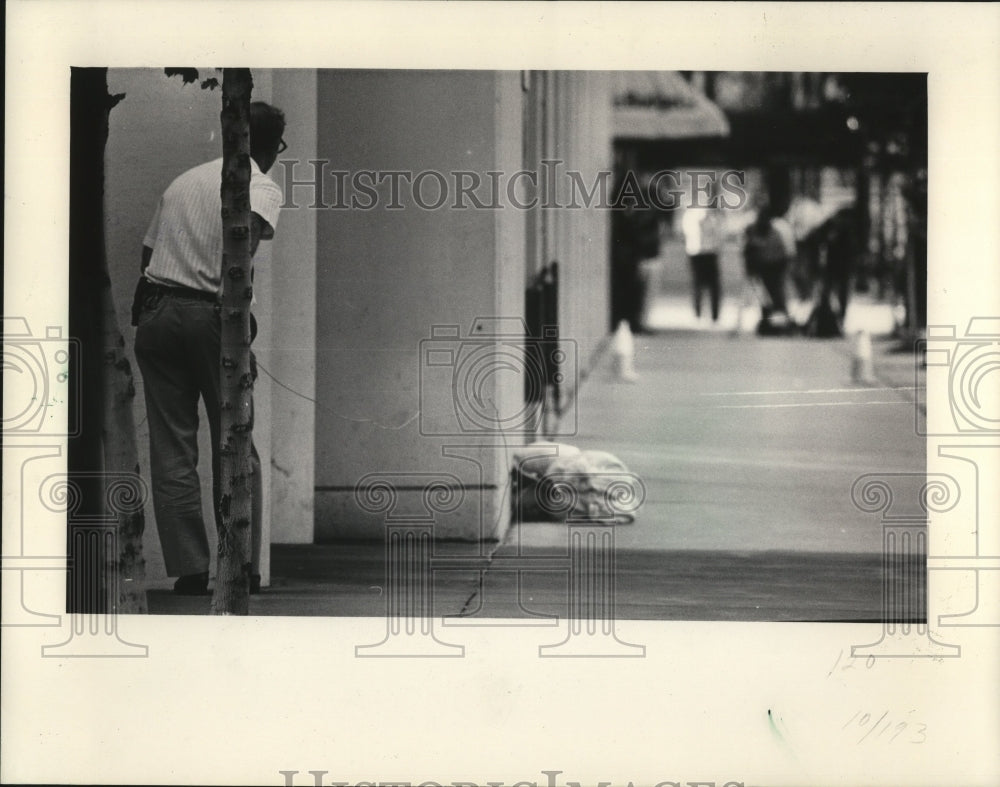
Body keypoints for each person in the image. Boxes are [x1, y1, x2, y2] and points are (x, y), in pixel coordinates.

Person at [132, 102, 286, 596]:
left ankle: (191, 569)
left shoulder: (183, 180)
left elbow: (148, 254)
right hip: (212, 316)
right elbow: (240, 259)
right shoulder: (260, 184)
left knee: (172, 445)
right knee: (236, 440)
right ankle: (242, 565)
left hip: (157, 312)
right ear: (269, 146)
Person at [681, 198, 724, 323]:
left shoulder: (713, 215)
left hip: (709, 252)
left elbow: (719, 233)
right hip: (698, 252)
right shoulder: (693, 215)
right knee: (698, 284)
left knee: (711, 285)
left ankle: (713, 314)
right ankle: (699, 313)